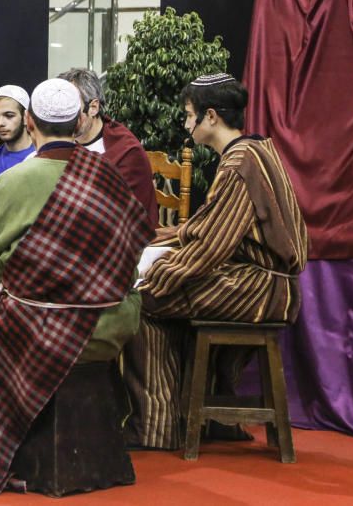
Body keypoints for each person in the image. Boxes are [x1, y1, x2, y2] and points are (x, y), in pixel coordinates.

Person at [0, 79, 154, 495]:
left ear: (29, 122)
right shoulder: (111, 179)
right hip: (109, 325)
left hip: (38, 331)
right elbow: (131, 257)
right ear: (79, 121)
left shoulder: (13, 183)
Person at [123, 73, 308, 450]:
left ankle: (158, 427)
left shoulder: (240, 162)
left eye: (189, 115)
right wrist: (171, 236)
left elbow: (211, 245)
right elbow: (214, 223)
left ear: (211, 117)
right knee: (166, 291)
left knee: (141, 303)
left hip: (259, 288)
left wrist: (154, 275)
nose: (185, 123)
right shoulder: (253, 150)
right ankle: (209, 419)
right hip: (265, 284)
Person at [59, 68, 158, 228]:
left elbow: (122, 217)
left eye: (71, 108)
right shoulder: (60, 140)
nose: (64, 116)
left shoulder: (126, 150)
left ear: (93, 107)